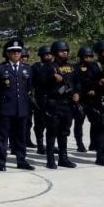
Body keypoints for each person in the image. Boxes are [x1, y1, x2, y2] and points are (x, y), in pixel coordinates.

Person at [36, 40, 80, 169]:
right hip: (54, 104)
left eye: (66, 50)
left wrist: (78, 93)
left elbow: (77, 83)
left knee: (64, 132)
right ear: (55, 53)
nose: (64, 52)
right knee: (52, 132)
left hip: (68, 105)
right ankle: (50, 159)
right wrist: (51, 78)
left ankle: (63, 158)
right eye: (61, 51)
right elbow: (40, 84)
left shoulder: (72, 67)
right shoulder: (48, 67)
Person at [0, 39, 35, 170]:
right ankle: (2, 161)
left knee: (21, 136)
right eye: (13, 51)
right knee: (3, 136)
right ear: (7, 53)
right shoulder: (0, 69)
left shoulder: (27, 69)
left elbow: (28, 88)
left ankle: (21, 160)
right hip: (6, 107)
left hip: (22, 108)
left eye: (18, 51)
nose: (16, 53)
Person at [30, 46, 53, 154]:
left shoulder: (55, 66)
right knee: (40, 123)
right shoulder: (36, 67)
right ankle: (40, 145)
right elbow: (31, 83)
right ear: (41, 56)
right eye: (46, 54)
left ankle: (50, 145)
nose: (48, 56)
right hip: (40, 98)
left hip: (53, 98)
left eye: (50, 54)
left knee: (52, 124)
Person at [73, 46, 94, 152]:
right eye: (86, 56)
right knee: (79, 121)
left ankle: (93, 143)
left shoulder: (94, 68)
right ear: (81, 57)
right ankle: (79, 144)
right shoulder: (75, 68)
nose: (88, 58)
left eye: (90, 56)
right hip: (80, 99)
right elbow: (73, 83)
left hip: (92, 100)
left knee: (95, 121)